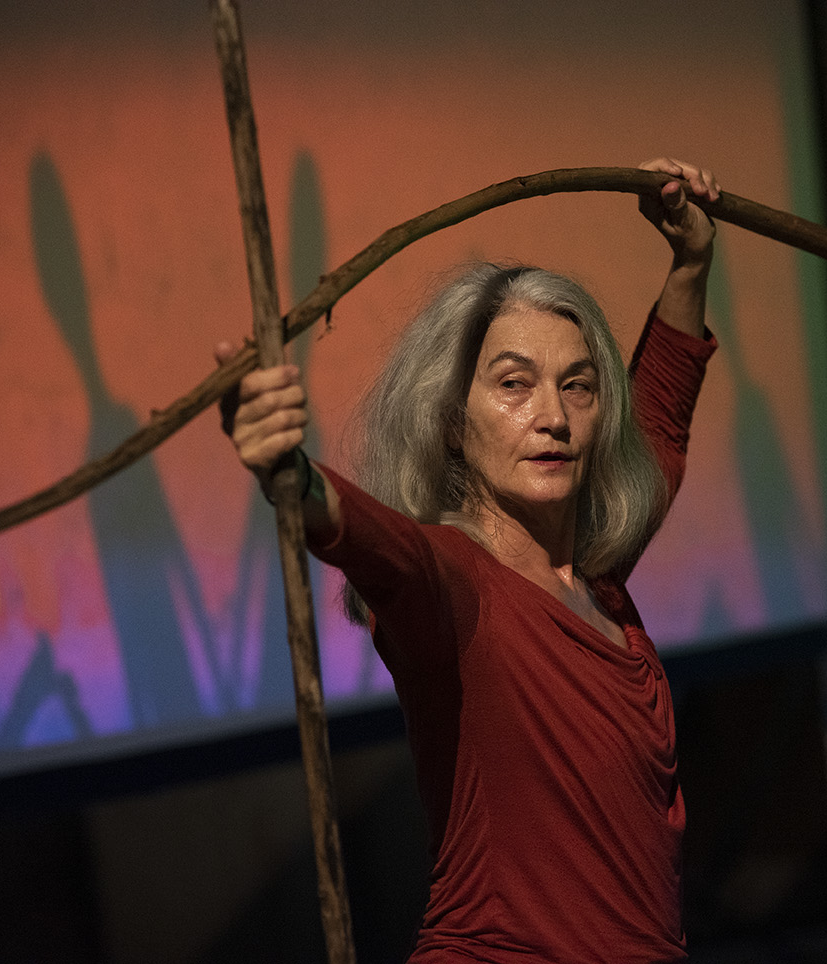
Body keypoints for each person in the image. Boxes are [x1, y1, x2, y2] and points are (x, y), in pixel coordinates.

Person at [215, 157, 719, 963]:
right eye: (514, 384)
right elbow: (370, 537)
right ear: (452, 421)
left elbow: (659, 418)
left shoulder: (601, 584)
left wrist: (689, 263)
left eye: (579, 387)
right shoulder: (454, 583)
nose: (552, 415)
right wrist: (287, 469)